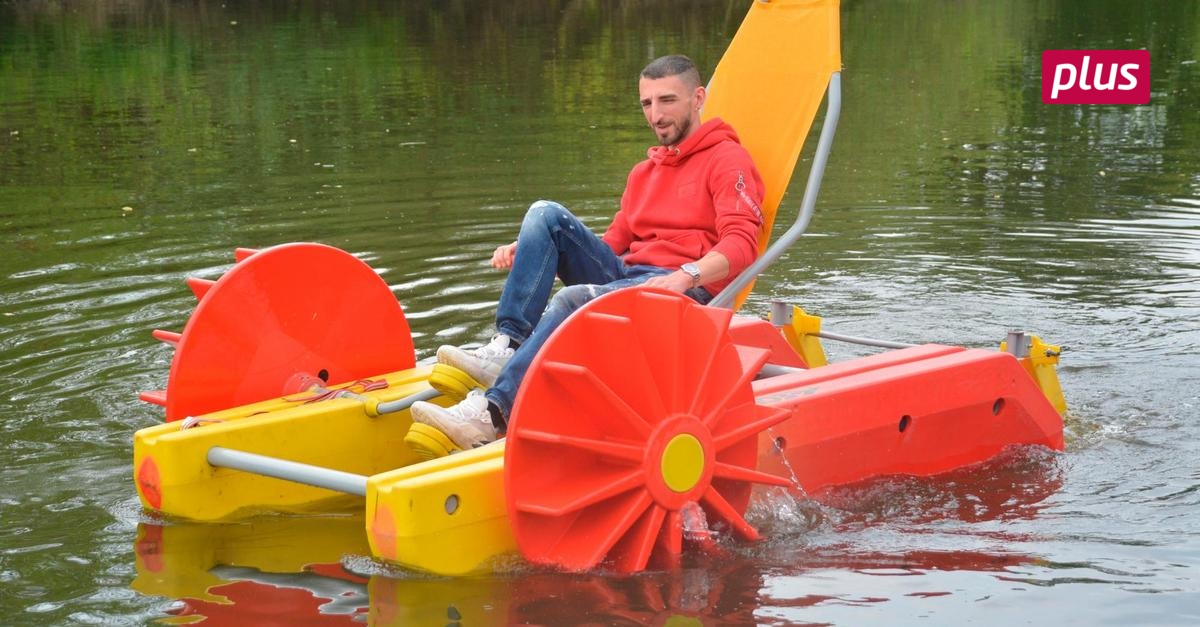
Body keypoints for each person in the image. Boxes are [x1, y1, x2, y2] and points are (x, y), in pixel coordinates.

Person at [409, 54, 765, 452]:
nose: (656, 115)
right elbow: (614, 242)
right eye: (647, 103)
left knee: (574, 299)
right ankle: (509, 346)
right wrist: (531, 246)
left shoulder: (727, 160)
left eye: (667, 100)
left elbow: (741, 245)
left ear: (698, 98)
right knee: (544, 215)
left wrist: (686, 276)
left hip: (684, 297)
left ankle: (493, 415)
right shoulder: (643, 172)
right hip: (631, 280)